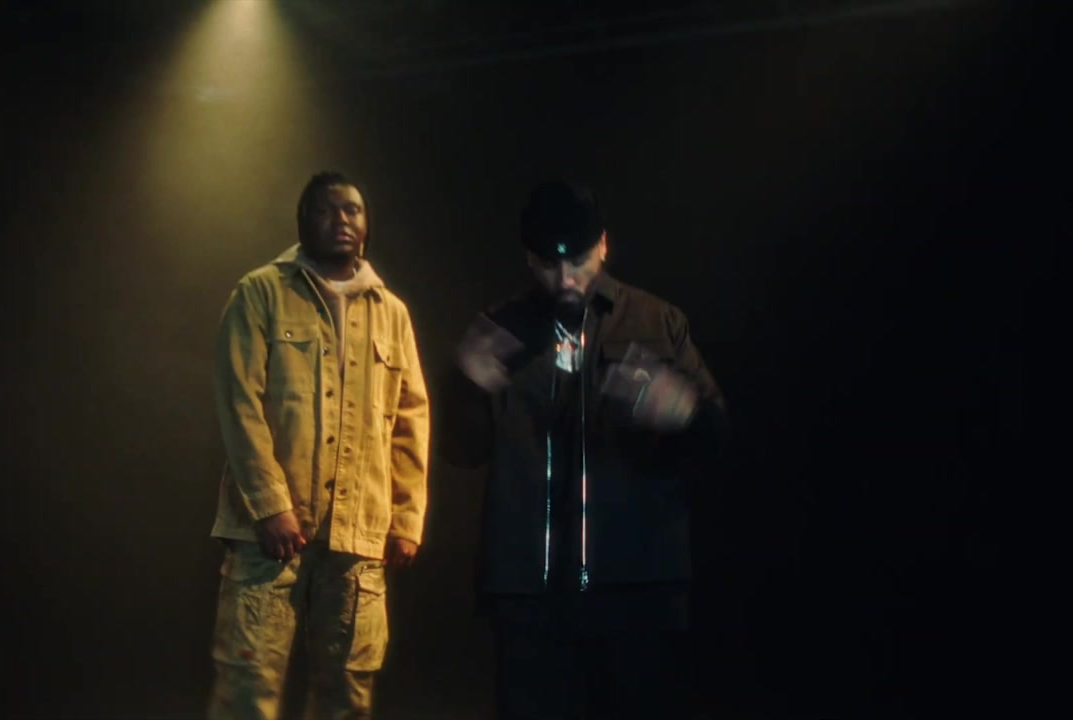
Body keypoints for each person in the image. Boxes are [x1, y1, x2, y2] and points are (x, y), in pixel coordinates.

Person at [438, 179, 730, 719]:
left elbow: (717, 442)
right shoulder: (500, 329)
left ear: (604, 245)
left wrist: (683, 412)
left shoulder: (657, 322)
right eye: (549, 264)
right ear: (529, 259)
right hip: (529, 597)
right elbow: (460, 451)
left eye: (578, 260)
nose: (566, 278)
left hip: (636, 594)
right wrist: (466, 388)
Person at [207, 171, 430, 720]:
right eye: (326, 210)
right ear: (302, 220)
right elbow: (239, 403)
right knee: (248, 690)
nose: (341, 220)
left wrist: (405, 519)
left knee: (346, 696)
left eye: (353, 210)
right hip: (268, 537)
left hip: (359, 535)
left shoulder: (391, 312)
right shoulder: (260, 293)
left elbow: (410, 419)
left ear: (367, 224)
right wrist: (270, 505)